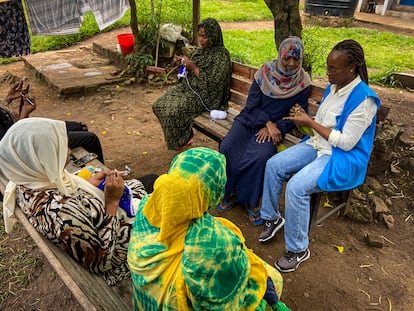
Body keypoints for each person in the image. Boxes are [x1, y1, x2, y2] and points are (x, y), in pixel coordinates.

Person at [258, 39, 381, 273]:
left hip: (339, 156)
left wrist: (309, 121)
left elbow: (346, 143)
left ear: (352, 67)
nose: (328, 73)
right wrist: (305, 117)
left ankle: (298, 248)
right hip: (318, 145)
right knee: (273, 164)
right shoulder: (333, 89)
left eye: (333, 68)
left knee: (296, 187)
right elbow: (322, 125)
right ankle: (272, 218)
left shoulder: (364, 100)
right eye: (328, 67)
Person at [127, 147, 291, 311]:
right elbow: (228, 302)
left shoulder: (148, 206)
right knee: (273, 279)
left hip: (145, 303)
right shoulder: (210, 241)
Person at [0, 117, 158, 285]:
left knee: (154, 182)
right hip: (123, 247)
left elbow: (73, 203)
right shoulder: (60, 214)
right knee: (162, 189)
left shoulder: (30, 181)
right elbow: (101, 262)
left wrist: (88, 184)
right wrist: (111, 202)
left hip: (98, 213)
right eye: (57, 148)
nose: (68, 151)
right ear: (37, 158)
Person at [219, 36, 311, 226]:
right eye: (287, 58)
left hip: (275, 129)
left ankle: (251, 202)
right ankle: (230, 194)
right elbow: (251, 105)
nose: (292, 64)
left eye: (296, 59)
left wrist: (276, 127)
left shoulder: (302, 83)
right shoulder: (265, 73)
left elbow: (297, 114)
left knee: (260, 156)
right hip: (249, 120)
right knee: (227, 147)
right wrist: (267, 122)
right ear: (280, 56)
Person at [152, 18, 231, 150]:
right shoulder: (200, 52)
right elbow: (188, 74)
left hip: (205, 97)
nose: (201, 40)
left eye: (204, 37)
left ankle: (182, 140)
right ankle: (182, 137)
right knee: (158, 105)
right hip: (187, 89)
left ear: (213, 36)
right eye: (199, 36)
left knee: (173, 112)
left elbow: (215, 84)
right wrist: (183, 64)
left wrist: (194, 68)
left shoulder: (221, 55)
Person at [0, 80, 105, 163]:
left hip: (27, 133)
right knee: (90, 138)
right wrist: (24, 113)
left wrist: (8, 99)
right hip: (27, 146)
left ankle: (91, 170)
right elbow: (12, 143)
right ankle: (102, 179)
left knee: (80, 127)